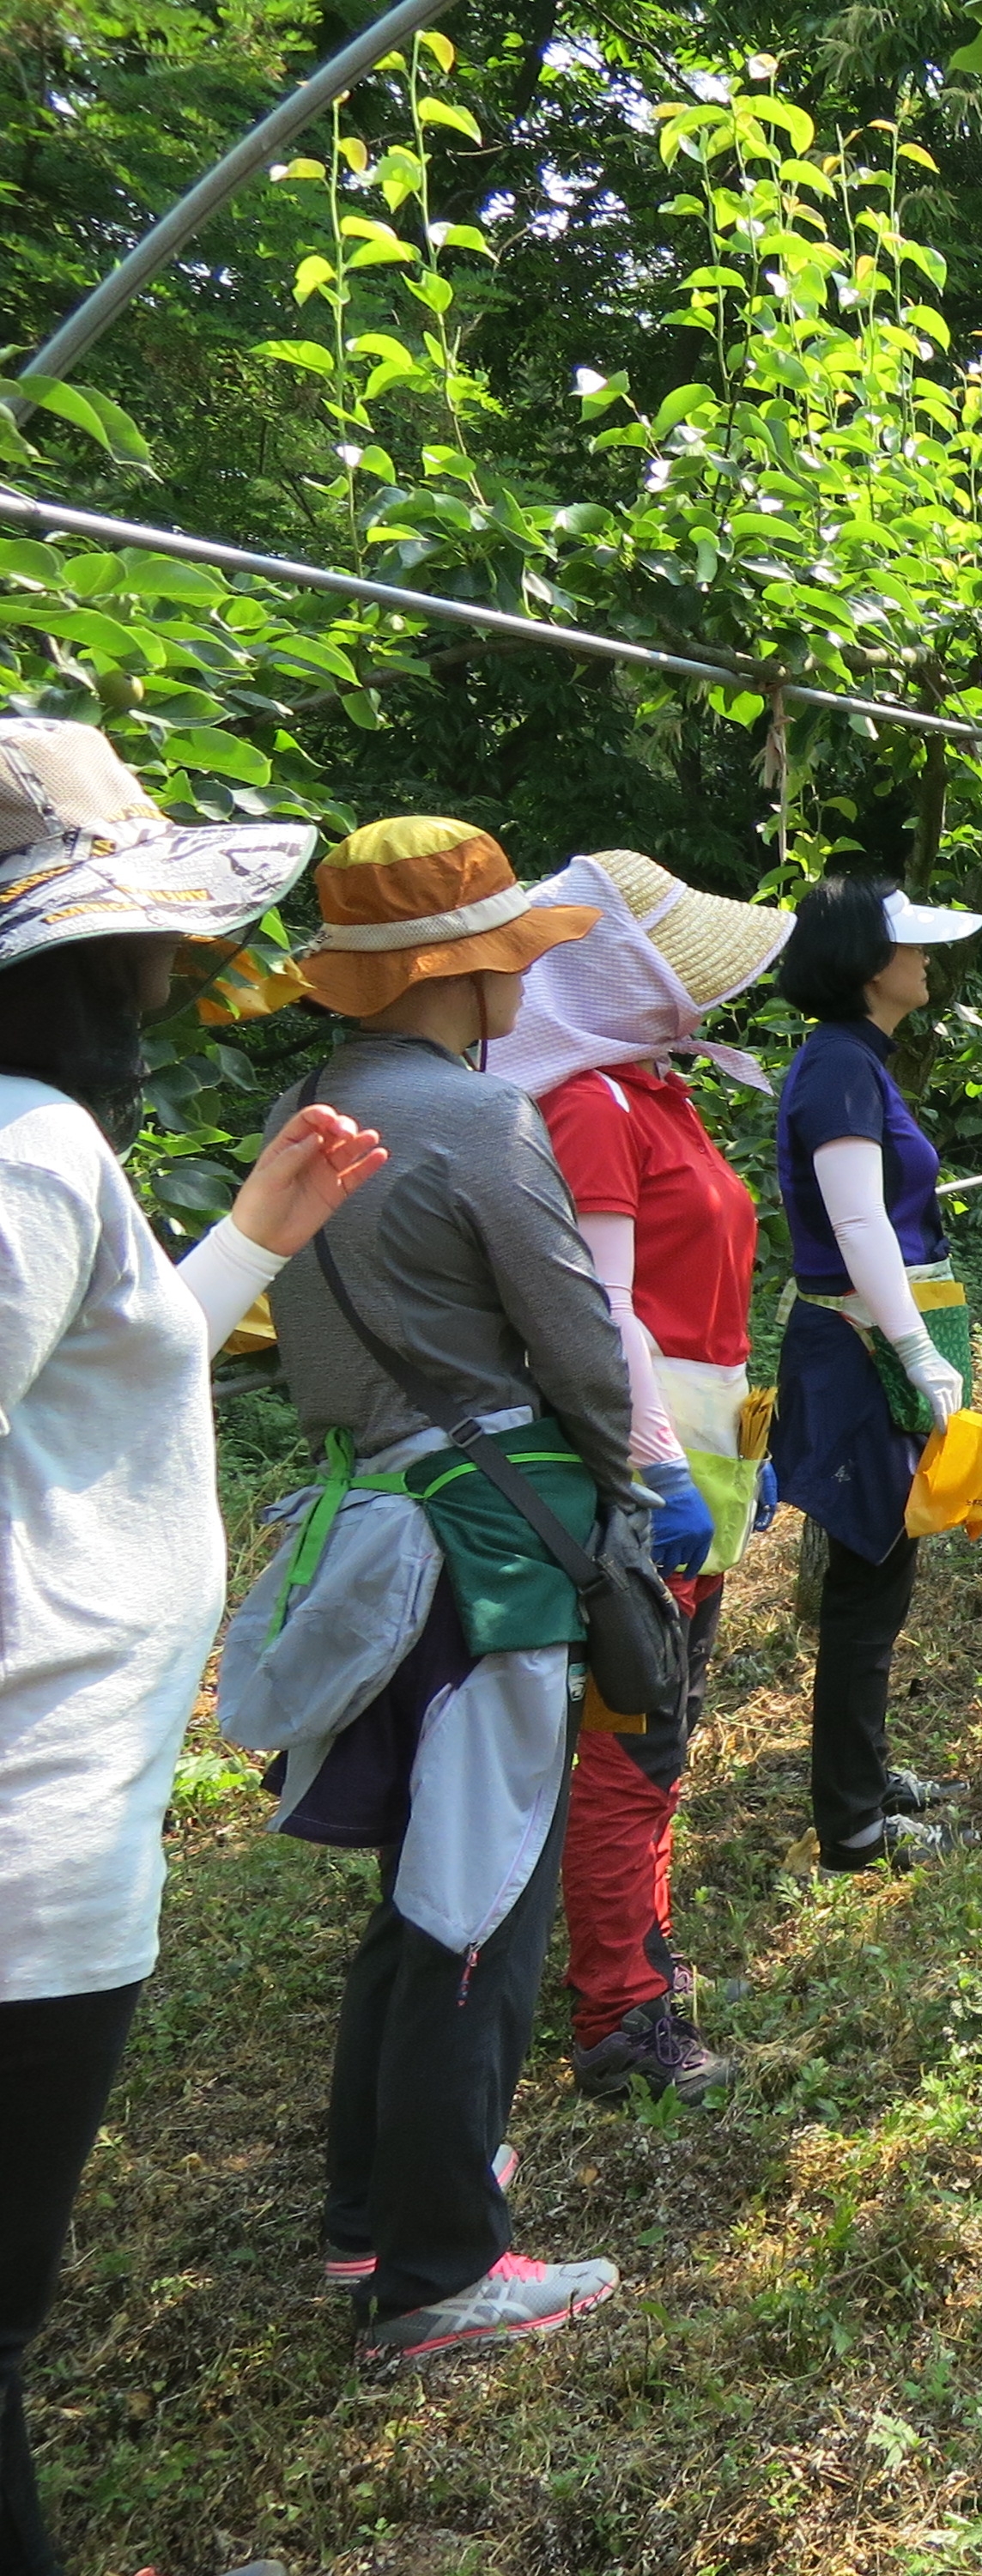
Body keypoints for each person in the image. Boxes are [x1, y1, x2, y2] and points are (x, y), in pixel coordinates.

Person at [0, 722, 384, 2558]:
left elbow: (99, 1373)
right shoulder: (24, 1156)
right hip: (24, 1830)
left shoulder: (47, 1144)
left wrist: (249, 1238)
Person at [247, 815, 634, 2366]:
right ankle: (442, 2270)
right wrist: (634, 1495)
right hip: (486, 1543)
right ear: (470, 969)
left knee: (412, 1890)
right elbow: (579, 1342)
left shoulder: (310, 1105)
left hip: (365, 1523)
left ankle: (369, 2217)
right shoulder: (482, 1126)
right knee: (477, 1898)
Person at [498, 850, 793, 2105]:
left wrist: (732, 1457)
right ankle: (617, 2008)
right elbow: (603, 1317)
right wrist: (661, 1472)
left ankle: (645, 1955)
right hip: (644, 1459)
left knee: (665, 1727)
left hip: (699, 1442)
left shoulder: (654, 1094)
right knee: (634, 1735)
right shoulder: (588, 1108)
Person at [767, 872, 982, 1874]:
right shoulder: (838, 1069)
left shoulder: (855, 1060)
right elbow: (855, 1222)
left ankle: (865, 1773)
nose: (928, 961)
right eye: (914, 946)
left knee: (881, 1579)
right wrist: (914, 1348)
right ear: (866, 962)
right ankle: (852, 1825)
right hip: (857, 1354)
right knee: (865, 1586)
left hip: (870, 1347)